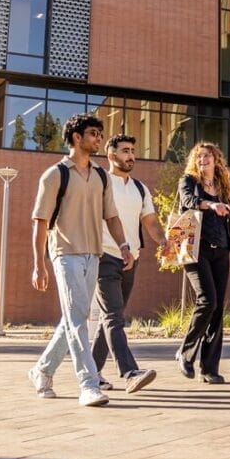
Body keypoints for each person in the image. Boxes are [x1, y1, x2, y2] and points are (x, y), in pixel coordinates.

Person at [28, 113, 133, 408]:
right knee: (78, 320)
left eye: (100, 134)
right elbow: (40, 221)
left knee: (73, 319)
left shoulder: (101, 175)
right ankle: (88, 384)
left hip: (94, 253)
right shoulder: (54, 175)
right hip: (65, 253)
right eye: (93, 134)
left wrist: (123, 243)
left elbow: (110, 215)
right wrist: (39, 264)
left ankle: (43, 370)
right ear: (77, 137)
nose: (98, 138)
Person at [90, 134, 168, 394]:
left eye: (133, 150)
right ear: (111, 155)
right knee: (114, 316)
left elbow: (151, 222)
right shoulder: (100, 181)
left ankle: (92, 373)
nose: (131, 155)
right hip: (104, 256)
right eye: (125, 151)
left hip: (130, 259)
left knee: (109, 317)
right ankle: (130, 372)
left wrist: (164, 241)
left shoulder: (139, 188)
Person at [175, 141, 230, 384]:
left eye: (207, 156)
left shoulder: (222, 188)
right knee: (207, 300)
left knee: (217, 309)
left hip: (221, 252)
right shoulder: (188, 181)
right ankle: (185, 352)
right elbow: (189, 202)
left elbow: (228, 225)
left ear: (216, 160)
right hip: (194, 248)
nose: (203, 160)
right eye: (199, 157)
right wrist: (211, 205)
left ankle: (209, 368)